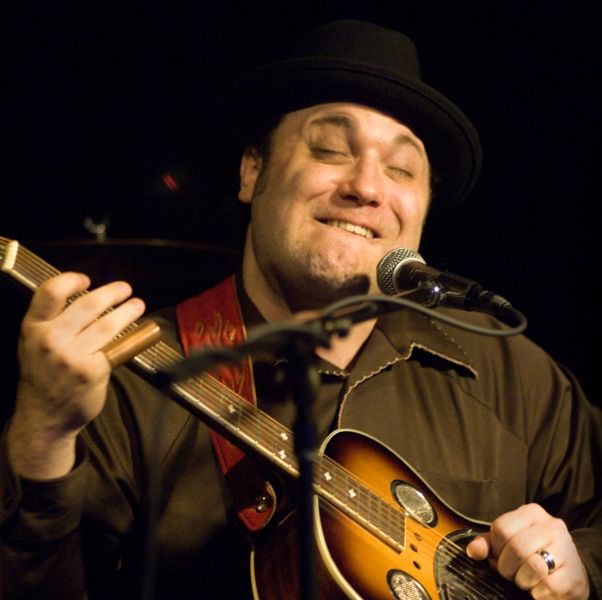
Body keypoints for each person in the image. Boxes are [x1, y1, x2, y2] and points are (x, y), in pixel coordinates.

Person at [1, 19, 600, 600]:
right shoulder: (124, 378)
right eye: (330, 150)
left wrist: (581, 568)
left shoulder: (508, 371)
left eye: (401, 169)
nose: (367, 187)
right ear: (251, 171)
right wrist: (43, 436)